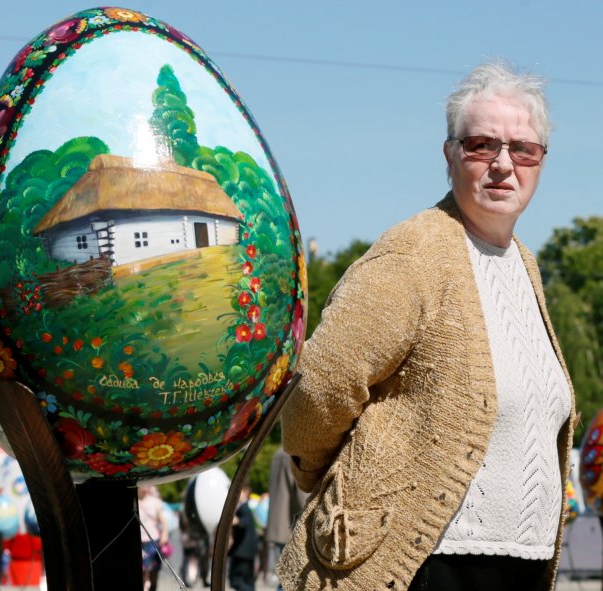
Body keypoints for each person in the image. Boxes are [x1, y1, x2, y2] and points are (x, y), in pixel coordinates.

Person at [276, 61, 576, 591]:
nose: (504, 164)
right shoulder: (413, 253)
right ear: (450, 155)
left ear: (541, 161)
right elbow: (322, 380)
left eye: (522, 149)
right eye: (482, 145)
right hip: (423, 564)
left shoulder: (524, 265)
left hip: (519, 567)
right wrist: (323, 475)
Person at [265, 447, 308, 589]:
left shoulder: (278, 453)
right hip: (293, 527)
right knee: (293, 581)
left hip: (277, 526)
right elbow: (303, 495)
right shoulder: (296, 452)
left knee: (284, 579)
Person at [138, 485, 169, 591]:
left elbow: (163, 521)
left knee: (153, 569)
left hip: (152, 540)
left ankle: (152, 586)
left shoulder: (155, 502)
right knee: (143, 568)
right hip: (139, 541)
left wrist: (164, 534)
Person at [228, 486, 258, 591]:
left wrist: (234, 520)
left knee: (238, 581)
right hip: (245, 552)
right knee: (247, 581)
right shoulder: (244, 507)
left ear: (245, 493)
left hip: (242, 552)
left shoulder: (244, 508)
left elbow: (243, 523)